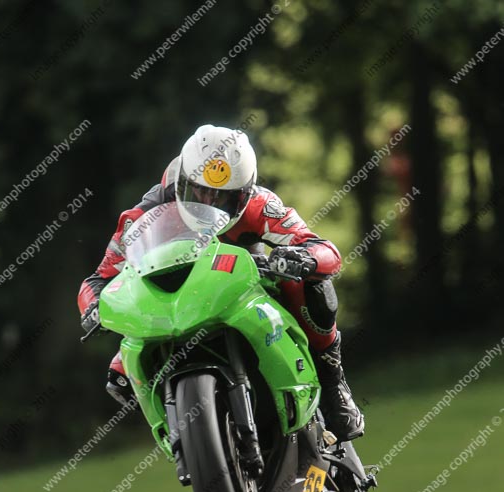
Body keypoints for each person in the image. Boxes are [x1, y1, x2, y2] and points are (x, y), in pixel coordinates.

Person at [78, 124, 364, 441]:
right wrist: (92, 306)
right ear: (182, 181)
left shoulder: (261, 205)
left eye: (223, 197)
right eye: (198, 191)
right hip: (178, 304)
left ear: (244, 193)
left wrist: (304, 259)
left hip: (244, 289)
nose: (208, 202)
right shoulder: (146, 212)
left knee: (313, 286)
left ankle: (332, 378)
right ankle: (183, 432)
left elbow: (324, 249)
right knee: (121, 374)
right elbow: (99, 278)